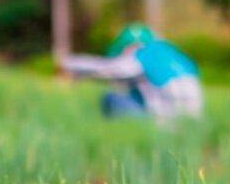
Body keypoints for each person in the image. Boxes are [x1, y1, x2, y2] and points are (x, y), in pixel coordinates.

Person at [60, 23, 204, 120]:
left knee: (110, 98)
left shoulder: (141, 55)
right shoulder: (172, 54)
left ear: (129, 46)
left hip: (164, 124)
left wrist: (67, 63)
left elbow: (106, 68)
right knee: (136, 92)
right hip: (191, 125)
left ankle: (120, 140)